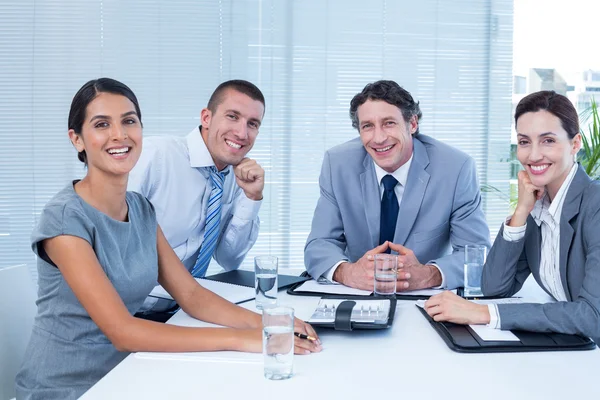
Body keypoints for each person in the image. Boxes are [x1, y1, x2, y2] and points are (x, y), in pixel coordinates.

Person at [15, 78, 321, 400]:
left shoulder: (140, 208)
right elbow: (123, 332)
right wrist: (244, 339)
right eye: (102, 124)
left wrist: (271, 322)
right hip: (68, 387)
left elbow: (191, 294)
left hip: (131, 373)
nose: (119, 135)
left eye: (129, 121)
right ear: (77, 139)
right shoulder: (65, 218)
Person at [424, 90, 600, 343]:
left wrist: (482, 313)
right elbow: (495, 286)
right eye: (524, 142)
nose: (533, 155)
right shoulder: (539, 208)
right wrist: (520, 212)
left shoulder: (595, 204)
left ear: (575, 144)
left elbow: (592, 316)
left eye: (548, 140)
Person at [304, 80, 490, 291]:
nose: (379, 138)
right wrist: (349, 273)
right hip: (359, 296)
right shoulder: (337, 164)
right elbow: (319, 245)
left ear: (412, 124)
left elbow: (477, 253)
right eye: (368, 126)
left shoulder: (455, 168)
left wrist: (428, 275)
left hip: (425, 299)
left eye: (389, 123)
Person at [128, 80, 266, 316]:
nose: (242, 133)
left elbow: (229, 260)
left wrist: (252, 198)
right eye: (232, 116)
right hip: (129, 310)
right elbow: (110, 245)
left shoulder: (236, 176)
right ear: (206, 118)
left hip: (184, 311)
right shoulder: (155, 156)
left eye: (252, 124)